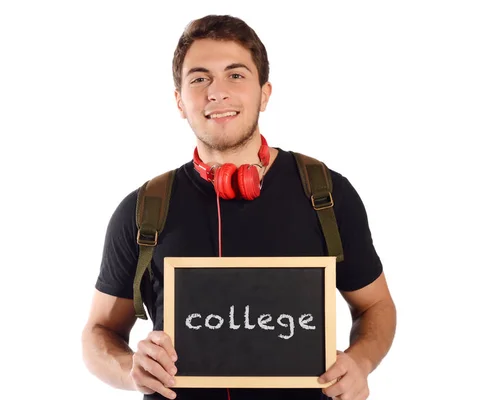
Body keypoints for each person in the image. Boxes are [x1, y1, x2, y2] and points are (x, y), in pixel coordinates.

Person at [81, 14, 396, 400]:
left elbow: (376, 306)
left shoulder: (326, 195)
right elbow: (99, 333)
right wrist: (130, 369)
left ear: (264, 93)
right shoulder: (143, 209)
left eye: (235, 75)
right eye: (199, 79)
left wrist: (360, 363)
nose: (217, 92)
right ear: (180, 101)